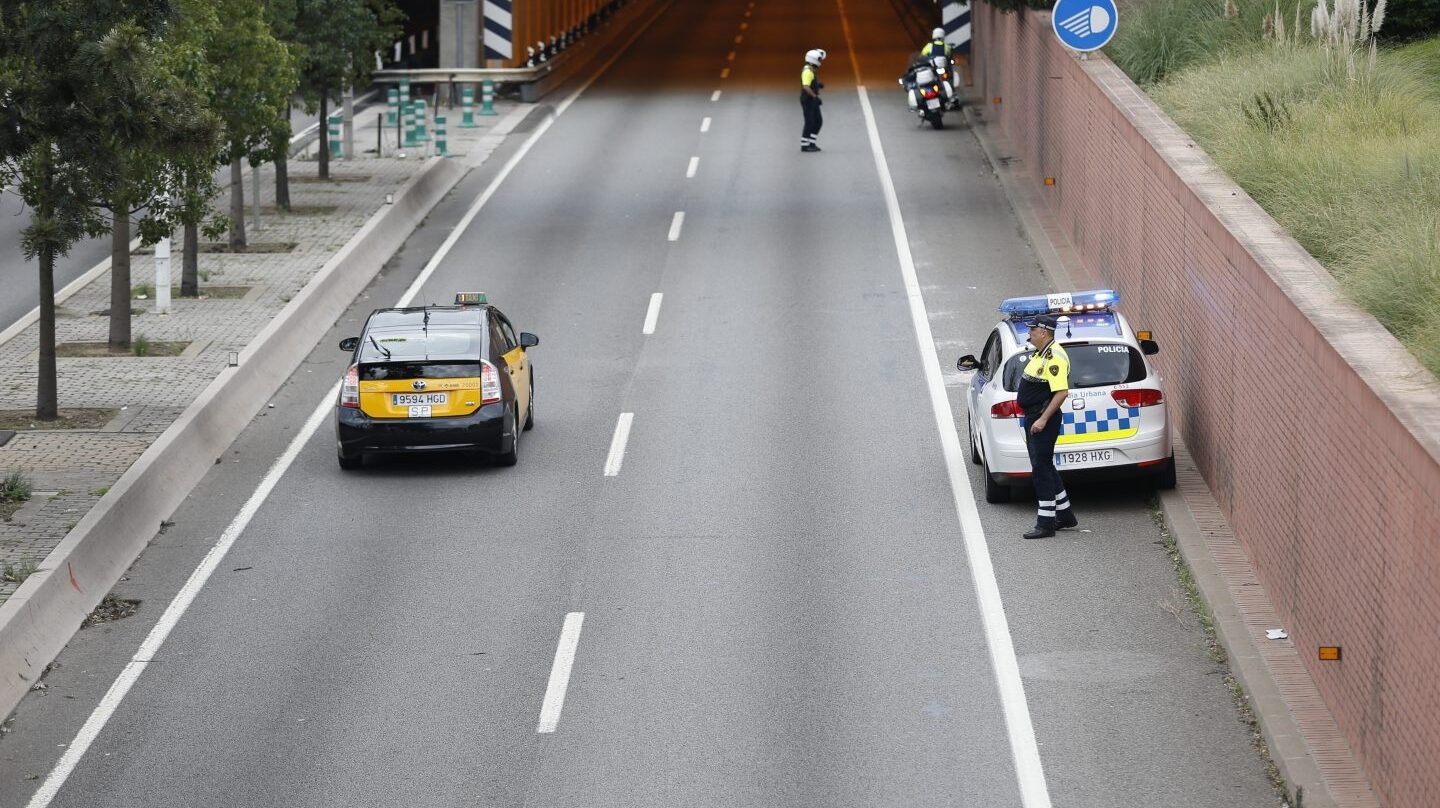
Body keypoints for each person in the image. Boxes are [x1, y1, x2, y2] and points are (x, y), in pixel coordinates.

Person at [1016, 314, 1077, 539]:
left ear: (1044, 332)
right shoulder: (1041, 353)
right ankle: (1065, 514)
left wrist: (1042, 419)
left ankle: (1045, 524)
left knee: (1040, 470)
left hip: (1043, 419)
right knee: (1045, 465)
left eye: (1032, 330)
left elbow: (1061, 391)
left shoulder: (1055, 357)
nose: (1029, 333)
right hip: (1034, 417)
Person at [800, 49, 826, 153]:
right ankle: (804, 146)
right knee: (809, 122)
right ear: (814, 60)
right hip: (808, 100)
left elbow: (810, 83)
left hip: (812, 100)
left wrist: (817, 84)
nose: (820, 61)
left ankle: (812, 143)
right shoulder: (807, 71)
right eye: (819, 59)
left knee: (818, 121)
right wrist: (815, 97)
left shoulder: (811, 70)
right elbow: (806, 86)